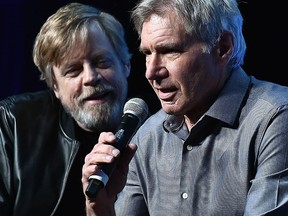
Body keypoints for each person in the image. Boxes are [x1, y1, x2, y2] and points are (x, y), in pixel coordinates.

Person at [82, 0, 288, 215]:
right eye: (147, 54)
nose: (151, 73)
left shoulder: (276, 117)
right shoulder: (146, 136)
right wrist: (99, 206)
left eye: (170, 50)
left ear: (223, 48)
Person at [0, 2, 134, 215]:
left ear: (125, 65)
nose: (91, 77)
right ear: (54, 86)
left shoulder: (162, 125)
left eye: (102, 62)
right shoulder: (14, 123)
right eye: (73, 70)